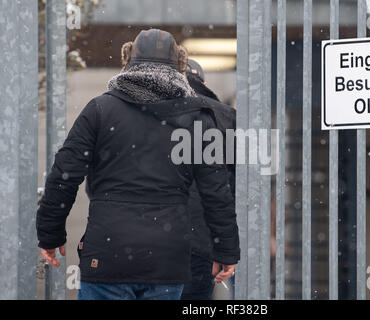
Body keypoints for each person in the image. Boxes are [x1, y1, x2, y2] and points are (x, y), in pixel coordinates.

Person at [36, 29, 240, 300]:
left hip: (108, 254)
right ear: (178, 66)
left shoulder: (99, 110)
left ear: (128, 62)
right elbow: (217, 193)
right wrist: (225, 249)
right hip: (167, 260)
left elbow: (64, 175)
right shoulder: (196, 120)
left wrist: (50, 233)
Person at [181, 60, 236, 300]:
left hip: (148, 239)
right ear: (203, 83)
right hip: (201, 240)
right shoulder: (225, 117)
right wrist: (225, 249)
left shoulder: (147, 112)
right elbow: (229, 190)